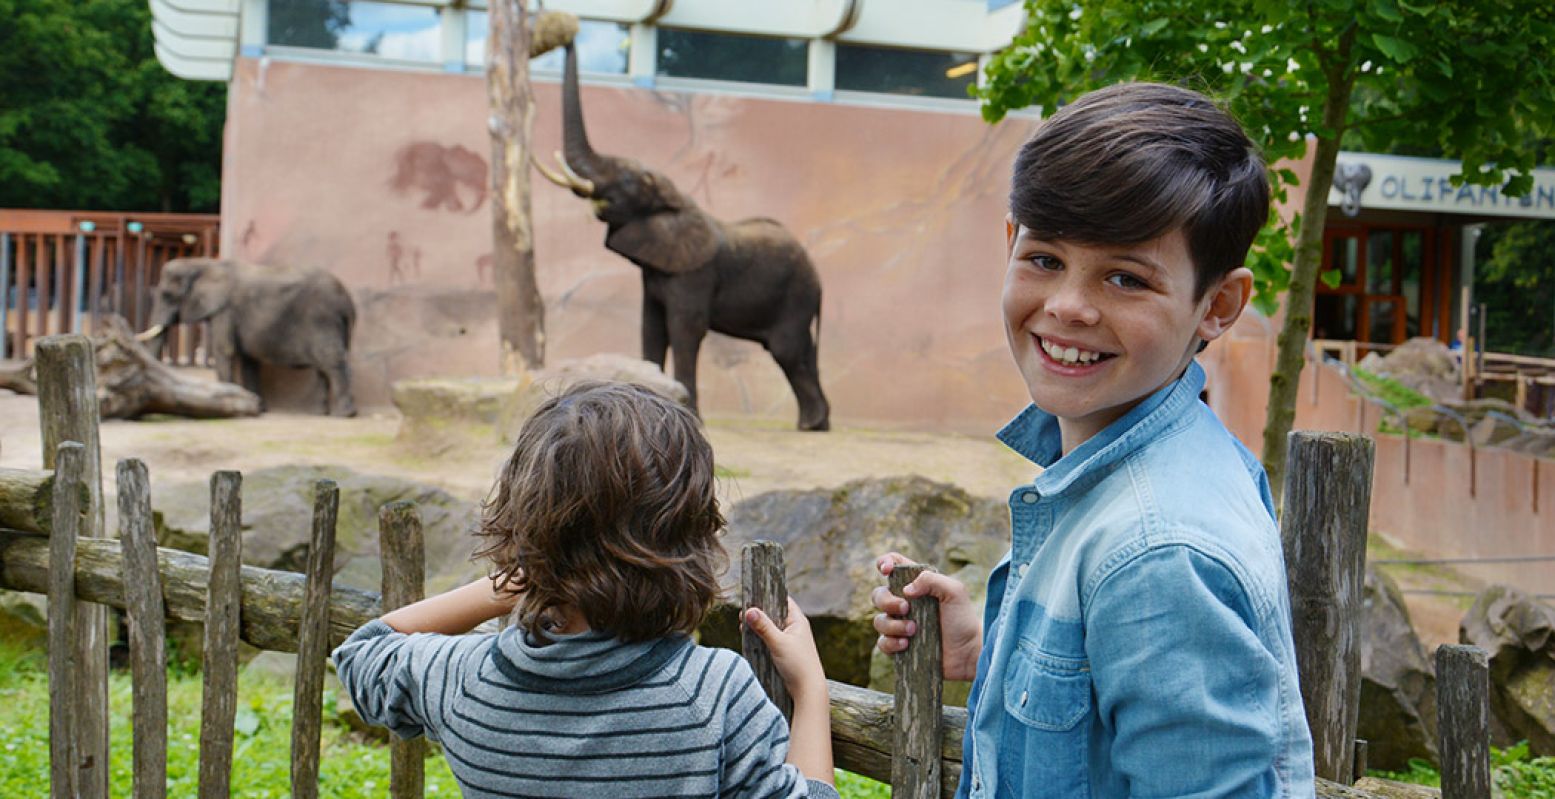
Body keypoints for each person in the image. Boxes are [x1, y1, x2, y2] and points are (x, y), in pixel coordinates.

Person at [871, 83, 1316, 797]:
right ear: (1009, 241)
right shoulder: (1146, 464)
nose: (1068, 306)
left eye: (1123, 277)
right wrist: (998, 648)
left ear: (1218, 304)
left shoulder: (1159, 550)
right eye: (1044, 259)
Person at [333, 381, 838, 799]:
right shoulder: (711, 691)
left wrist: (525, 573)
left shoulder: (464, 680)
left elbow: (364, 652)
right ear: (690, 535)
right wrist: (810, 690)